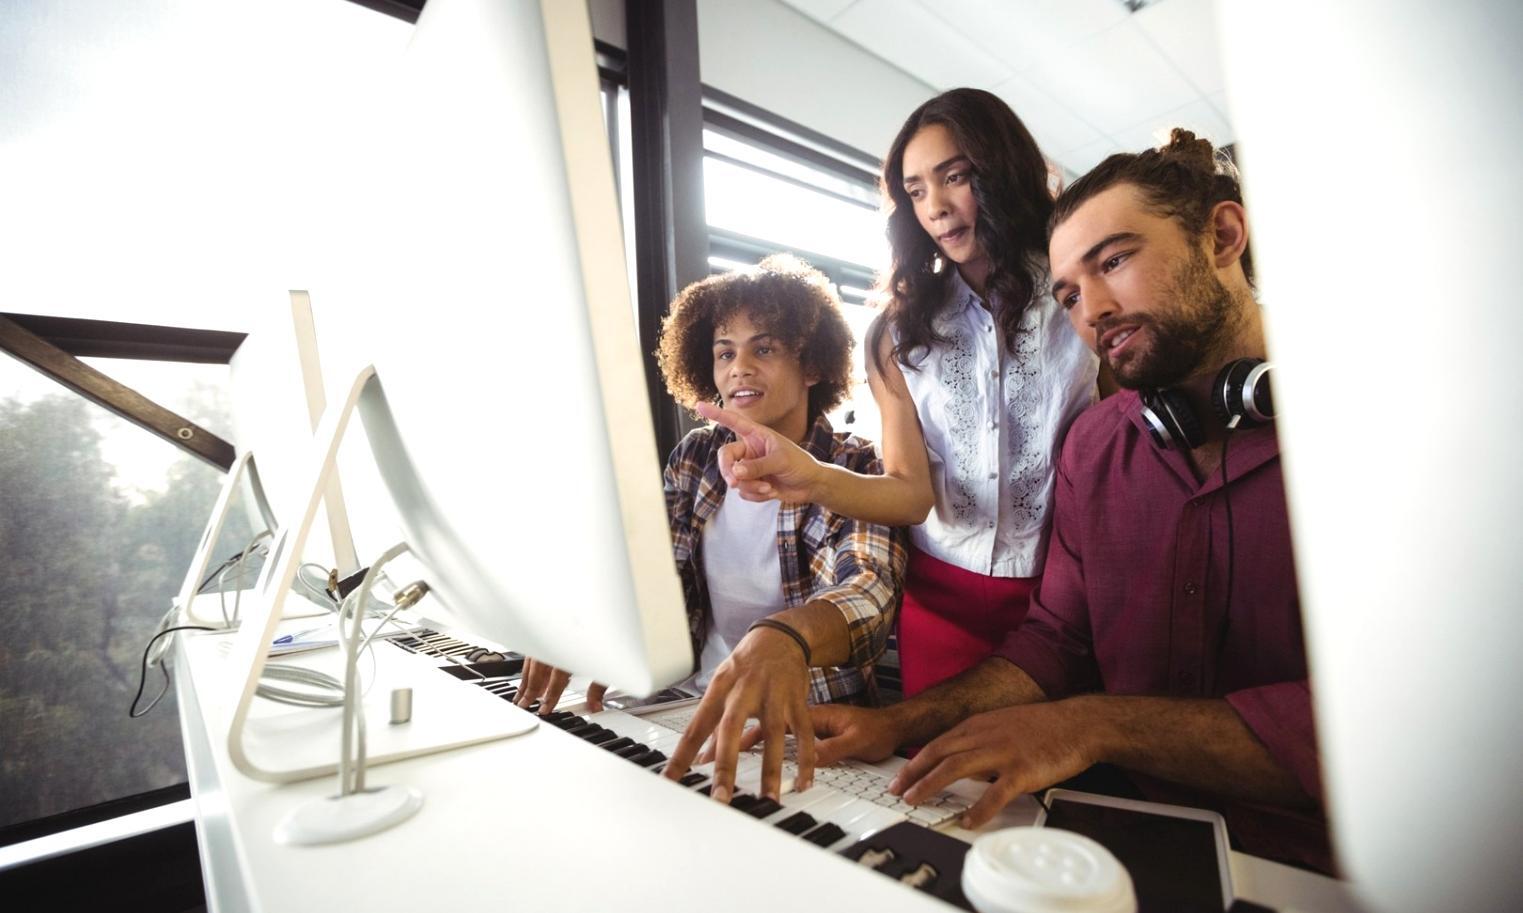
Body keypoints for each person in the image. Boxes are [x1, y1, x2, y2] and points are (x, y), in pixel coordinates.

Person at [789, 130, 1332, 872]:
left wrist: (1092, 723)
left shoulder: (1377, 444)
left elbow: (1388, 722)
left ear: (1223, 236)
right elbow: (1056, 642)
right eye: (1069, 293)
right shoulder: (1096, 448)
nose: (1093, 309)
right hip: (1115, 827)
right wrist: (896, 721)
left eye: (1114, 260)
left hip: (1325, 860)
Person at [699, 89, 1099, 705]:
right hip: (941, 604)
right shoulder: (899, 332)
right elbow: (911, 495)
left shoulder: (1081, 294)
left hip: (1068, 602)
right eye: (915, 191)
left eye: (955, 177)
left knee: (1056, 785)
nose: (935, 207)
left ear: (1002, 171)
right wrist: (814, 477)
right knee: (939, 787)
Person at [516, 254, 907, 805]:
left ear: (813, 364)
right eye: (725, 352)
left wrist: (785, 638)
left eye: (763, 348)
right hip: (679, 706)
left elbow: (868, 595)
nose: (738, 368)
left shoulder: (856, 467)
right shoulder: (696, 455)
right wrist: (583, 622)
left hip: (805, 728)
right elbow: (656, 576)